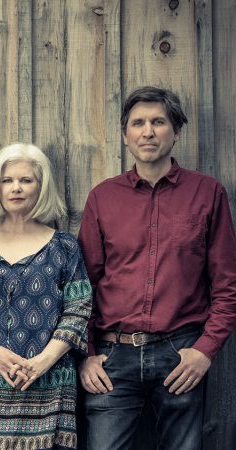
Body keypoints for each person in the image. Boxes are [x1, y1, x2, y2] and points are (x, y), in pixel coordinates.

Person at [78, 86, 236, 450]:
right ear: (125, 135)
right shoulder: (103, 197)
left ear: (176, 131)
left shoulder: (207, 193)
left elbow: (227, 284)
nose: (148, 131)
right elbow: (82, 286)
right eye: (138, 123)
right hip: (111, 357)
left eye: (158, 122)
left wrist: (205, 349)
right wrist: (85, 355)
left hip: (180, 354)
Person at [0, 143, 92, 450]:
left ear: (41, 187)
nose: (16, 188)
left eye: (26, 180)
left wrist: (43, 361)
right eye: (7, 180)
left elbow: (78, 309)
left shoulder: (64, 246)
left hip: (49, 387)